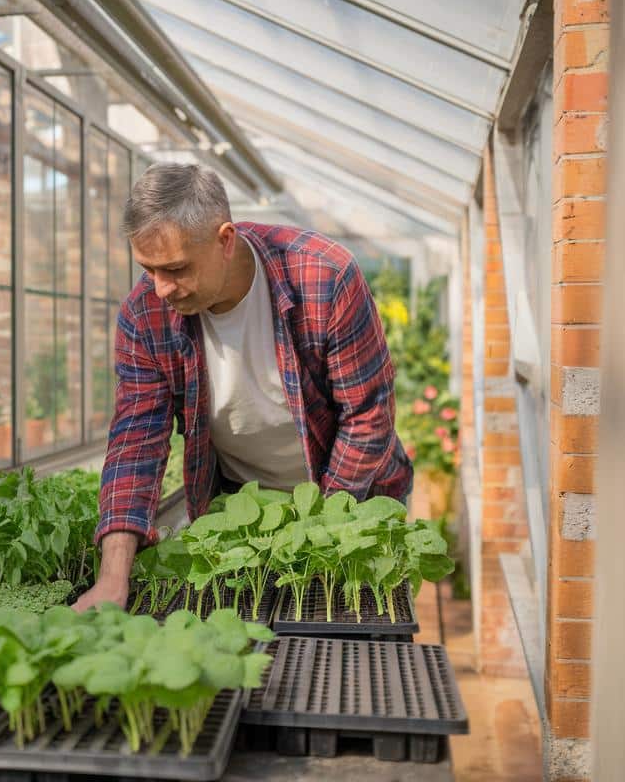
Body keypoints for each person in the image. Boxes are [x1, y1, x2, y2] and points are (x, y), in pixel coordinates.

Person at [74, 163, 413, 612]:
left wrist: (319, 532)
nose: (160, 289)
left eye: (175, 268)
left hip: (353, 496)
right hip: (246, 508)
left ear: (225, 240)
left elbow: (368, 416)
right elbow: (136, 441)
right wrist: (112, 580)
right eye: (149, 269)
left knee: (348, 633)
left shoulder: (324, 278)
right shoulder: (145, 316)